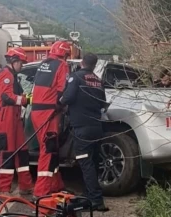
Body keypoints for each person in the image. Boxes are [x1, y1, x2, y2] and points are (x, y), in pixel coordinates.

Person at [60, 53, 109, 211]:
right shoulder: (98, 81)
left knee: (85, 163)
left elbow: (66, 98)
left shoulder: (76, 77)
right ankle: (88, 195)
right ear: (94, 65)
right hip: (97, 127)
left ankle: (96, 200)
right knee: (93, 162)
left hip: (82, 128)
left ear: (82, 63)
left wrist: (57, 104)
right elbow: (103, 103)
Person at [0, 48, 33, 195]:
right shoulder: (6, 75)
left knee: (22, 151)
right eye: (21, 62)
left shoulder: (13, 76)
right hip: (4, 118)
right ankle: (4, 189)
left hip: (13, 118)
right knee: (8, 153)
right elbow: (7, 97)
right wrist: (25, 100)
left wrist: (26, 97)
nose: (22, 65)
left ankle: (25, 185)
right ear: (14, 61)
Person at [30, 41, 70, 199]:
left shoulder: (43, 64)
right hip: (49, 113)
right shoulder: (62, 65)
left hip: (37, 112)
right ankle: (41, 191)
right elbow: (62, 91)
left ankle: (56, 185)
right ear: (65, 54)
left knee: (52, 150)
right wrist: (63, 105)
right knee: (48, 150)